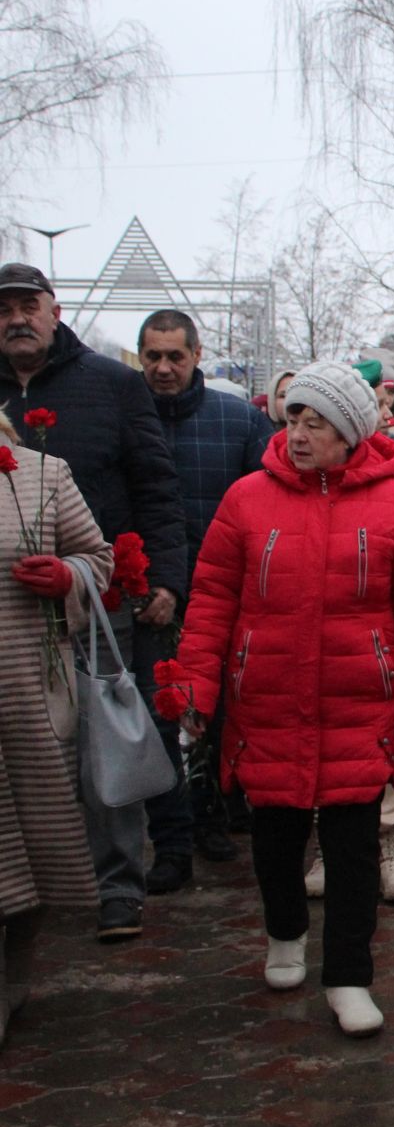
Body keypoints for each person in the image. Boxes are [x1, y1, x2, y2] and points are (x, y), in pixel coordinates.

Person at [173, 362, 394, 1040]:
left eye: (316, 423)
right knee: (276, 841)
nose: (299, 434)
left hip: (360, 707)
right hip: (268, 703)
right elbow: (211, 603)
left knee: (352, 851)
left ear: (349, 433)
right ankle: (284, 932)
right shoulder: (246, 500)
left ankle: (349, 976)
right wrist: (195, 686)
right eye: (293, 419)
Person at [0, 262, 187, 945]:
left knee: (101, 745)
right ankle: (28, 892)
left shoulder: (112, 385)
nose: (17, 318)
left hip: (96, 602)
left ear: (55, 310)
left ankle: (116, 887)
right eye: (4, 309)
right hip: (6, 618)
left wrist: (164, 578)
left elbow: (156, 486)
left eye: (29, 305)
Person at [138, 308, 274, 877]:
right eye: (153, 356)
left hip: (225, 594)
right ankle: (171, 834)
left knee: (218, 712)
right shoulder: (128, 414)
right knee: (155, 712)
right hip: (148, 596)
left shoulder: (238, 421)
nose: (164, 368)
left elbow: (267, 504)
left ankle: (213, 814)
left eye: (175, 356)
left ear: (197, 355)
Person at [0, 407, 114, 1047]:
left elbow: (98, 560)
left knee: (36, 837)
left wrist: (67, 576)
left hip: (27, 687)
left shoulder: (42, 475)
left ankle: (16, 968)